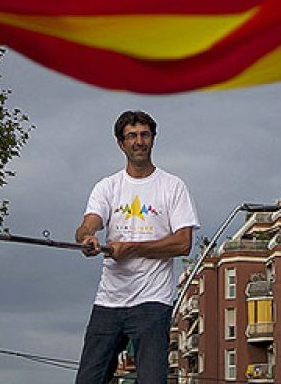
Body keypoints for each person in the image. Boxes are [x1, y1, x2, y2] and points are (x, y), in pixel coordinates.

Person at [75, 111, 197, 384]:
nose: (139, 142)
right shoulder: (107, 187)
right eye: (131, 136)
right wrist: (88, 237)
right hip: (108, 301)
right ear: (121, 144)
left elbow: (183, 243)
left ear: (153, 139)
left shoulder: (173, 186)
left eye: (144, 135)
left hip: (152, 303)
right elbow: (89, 223)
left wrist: (132, 248)